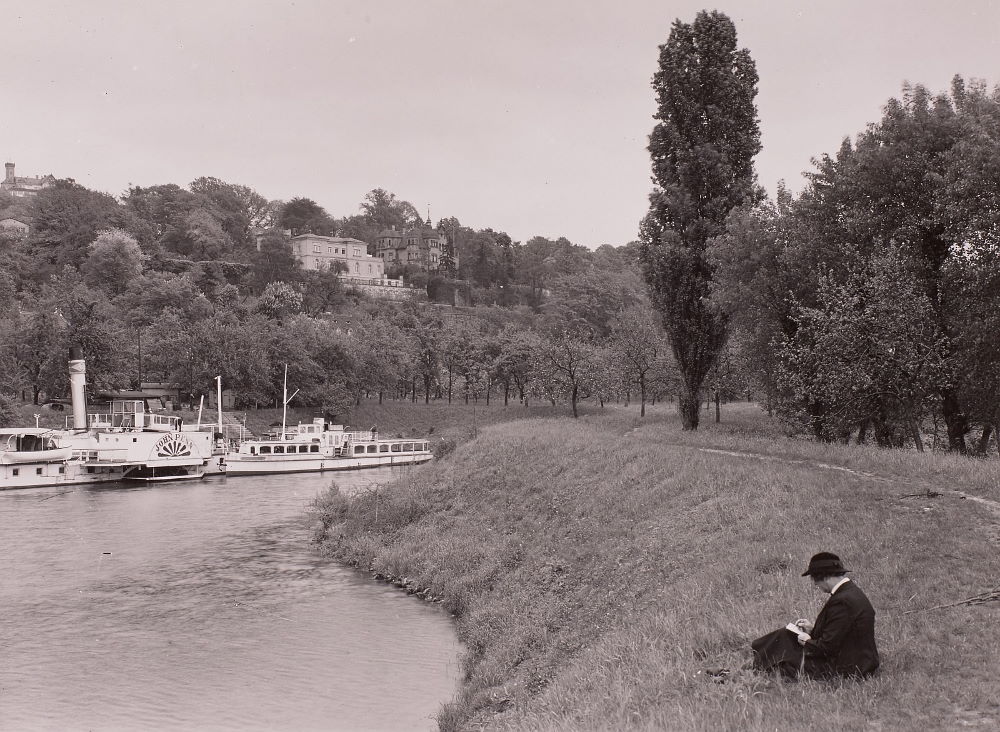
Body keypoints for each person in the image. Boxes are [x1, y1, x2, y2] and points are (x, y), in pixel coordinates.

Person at [751, 552, 880, 680]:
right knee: (785, 634)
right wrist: (812, 630)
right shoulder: (851, 591)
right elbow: (840, 633)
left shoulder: (843, 602)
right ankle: (756, 658)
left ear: (823, 577)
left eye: (814, 580)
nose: (815, 585)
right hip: (853, 658)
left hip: (848, 667)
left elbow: (827, 648)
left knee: (783, 664)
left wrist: (807, 641)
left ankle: (754, 667)